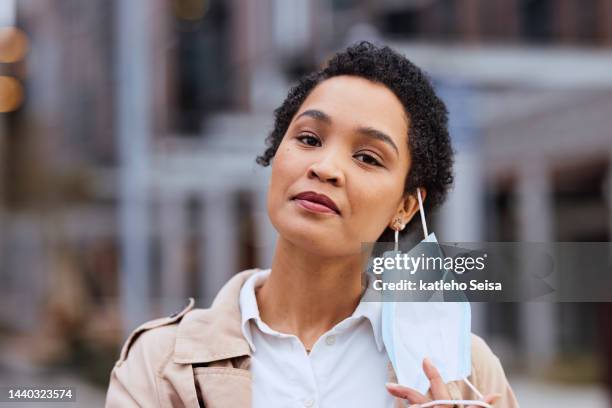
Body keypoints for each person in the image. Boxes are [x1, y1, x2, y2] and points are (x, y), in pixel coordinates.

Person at [105, 41, 519, 407]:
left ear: (407, 206)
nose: (325, 168)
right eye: (308, 139)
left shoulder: (465, 371)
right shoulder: (159, 362)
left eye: (367, 158)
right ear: (276, 154)